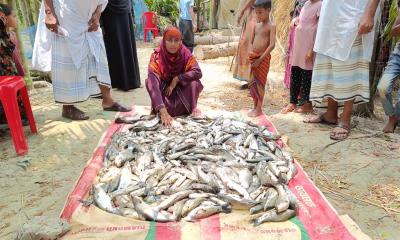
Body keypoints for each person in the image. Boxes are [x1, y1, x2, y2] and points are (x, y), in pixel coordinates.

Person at [32, 0, 130, 120]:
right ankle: (67, 107)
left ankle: (107, 101)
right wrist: (49, 13)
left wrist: (98, 14)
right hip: (67, 17)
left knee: (98, 57)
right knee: (68, 61)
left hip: (89, 18)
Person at [304, 0, 381, 140]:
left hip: (354, 11)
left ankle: (345, 118)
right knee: (328, 57)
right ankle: (330, 113)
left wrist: (369, 13)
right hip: (331, 13)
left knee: (349, 62)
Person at [145, 27, 203, 126]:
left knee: (195, 82)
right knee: (149, 81)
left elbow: (197, 72)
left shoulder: (185, 54)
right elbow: (153, 82)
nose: (173, 44)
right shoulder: (156, 56)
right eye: (169, 40)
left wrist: (177, 79)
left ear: (180, 42)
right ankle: (162, 111)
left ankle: (191, 108)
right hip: (165, 95)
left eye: (176, 41)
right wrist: (163, 111)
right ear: (164, 41)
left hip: (181, 93)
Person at [281, 0, 322, 114]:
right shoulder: (307, 4)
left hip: (308, 45)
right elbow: (302, 19)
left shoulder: (320, 5)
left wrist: (312, 49)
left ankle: (307, 104)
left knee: (306, 75)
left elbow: (320, 28)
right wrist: (295, 20)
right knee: (295, 72)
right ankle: (292, 102)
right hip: (298, 45)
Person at [101, 0, 141, 91]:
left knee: (127, 47)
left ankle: (131, 81)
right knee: (116, 49)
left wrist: (133, 17)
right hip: (110, 13)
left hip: (123, 12)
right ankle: (121, 82)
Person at [0, 3, 28, 127]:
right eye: (13, 16)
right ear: (4, 18)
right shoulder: (5, 40)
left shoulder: (10, 37)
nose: (16, 19)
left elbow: (15, 60)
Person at [247, 0, 276, 117]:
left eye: (260, 12)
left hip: (263, 59)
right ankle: (254, 106)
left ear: (268, 10)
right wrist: (251, 56)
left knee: (260, 84)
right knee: (253, 83)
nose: (258, 15)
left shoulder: (271, 26)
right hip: (253, 57)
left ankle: (259, 108)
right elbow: (251, 42)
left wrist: (260, 59)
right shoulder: (256, 26)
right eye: (256, 13)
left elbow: (272, 45)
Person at [377, 14, 400, 133]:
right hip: (398, 54)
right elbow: (393, 32)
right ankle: (392, 117)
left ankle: (394, 120)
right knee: (382, 88)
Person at [283, 0, 308, 89]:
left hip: (306, 32)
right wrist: (293, 20)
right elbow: (295, 12)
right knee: (293, 55)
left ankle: (300, 88)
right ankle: (291, 84)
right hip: (295, 29)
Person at [234, 0, 257, 89]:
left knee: (251, 45)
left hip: (255, 14)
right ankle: (249, 79)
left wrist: (241, 11)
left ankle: (254, 81)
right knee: (246, 46)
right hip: (251, 14)